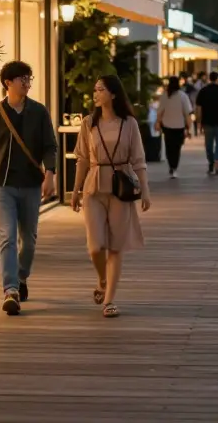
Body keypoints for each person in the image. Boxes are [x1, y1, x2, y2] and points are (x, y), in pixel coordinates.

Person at [0, 61, 57, 316]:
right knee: (6, 237)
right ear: (8, 83)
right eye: (22, 78)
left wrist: (50, 174)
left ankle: (21, 276)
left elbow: (49, 146)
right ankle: (10, 290)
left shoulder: (39, 111)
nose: (27, 82)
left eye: (29, 78)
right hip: (2, 185)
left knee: (29, 240)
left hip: (32, 184)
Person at [70, 76, 152, 319]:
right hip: (93, 187)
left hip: (121, 187)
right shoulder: (88, 123)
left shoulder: (129, 124)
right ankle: (102, 278)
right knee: (95, 246)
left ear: (113, 94)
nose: (95, 94)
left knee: (115, 247)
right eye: (94, 90)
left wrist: (145, 191)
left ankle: (109, 301)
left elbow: (138, 160)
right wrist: (74, 191)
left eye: (101, 90)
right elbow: (82, 159)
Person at [155, 76, 193, 179]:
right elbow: (187, 113)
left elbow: (160, 112)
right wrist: (189, 128)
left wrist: (157, 123)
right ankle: (174, 167)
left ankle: (171, 165)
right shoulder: (183, 96)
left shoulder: (164, 96)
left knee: (169, 147)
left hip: (167, 125)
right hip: (179, 126)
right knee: (177, 148)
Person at [195, 72, 218, 176]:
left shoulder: (203, 91)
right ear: (217, 79)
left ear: (209, 79)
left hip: (207, 121)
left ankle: (211, 162)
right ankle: (217, 162)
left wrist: (198, 121)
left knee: (208, 144)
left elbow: (198, 108)